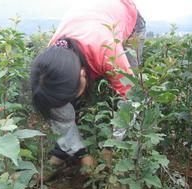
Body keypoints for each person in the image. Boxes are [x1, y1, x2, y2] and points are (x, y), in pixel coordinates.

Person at [30, 0, 146, 169]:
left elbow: (132, 98)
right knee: (62, 97)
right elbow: (59, 110)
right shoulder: (51, 63)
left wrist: (111, 146)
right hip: (90, 19)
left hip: (128, 18)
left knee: (128, 90)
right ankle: (64, 150)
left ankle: (121, 164)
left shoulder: (108, 52)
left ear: (83, 73)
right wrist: (82, 153)